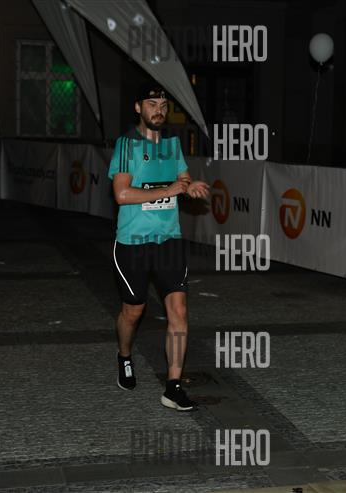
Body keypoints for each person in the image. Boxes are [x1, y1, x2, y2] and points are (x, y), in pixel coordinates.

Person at [108, 83, 210, 412]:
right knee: (133, 311)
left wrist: (189, 187)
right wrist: (169, 189)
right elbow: (122, 194)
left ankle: (173, 387)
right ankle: (124, 355)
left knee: (178, 311)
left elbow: (182, 180)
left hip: (168, 240)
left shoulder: (171, 145)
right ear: (138, 108)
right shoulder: (126, 146)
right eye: (152, 104)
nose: (159, 110)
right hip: (133, 243)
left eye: (163, 105)